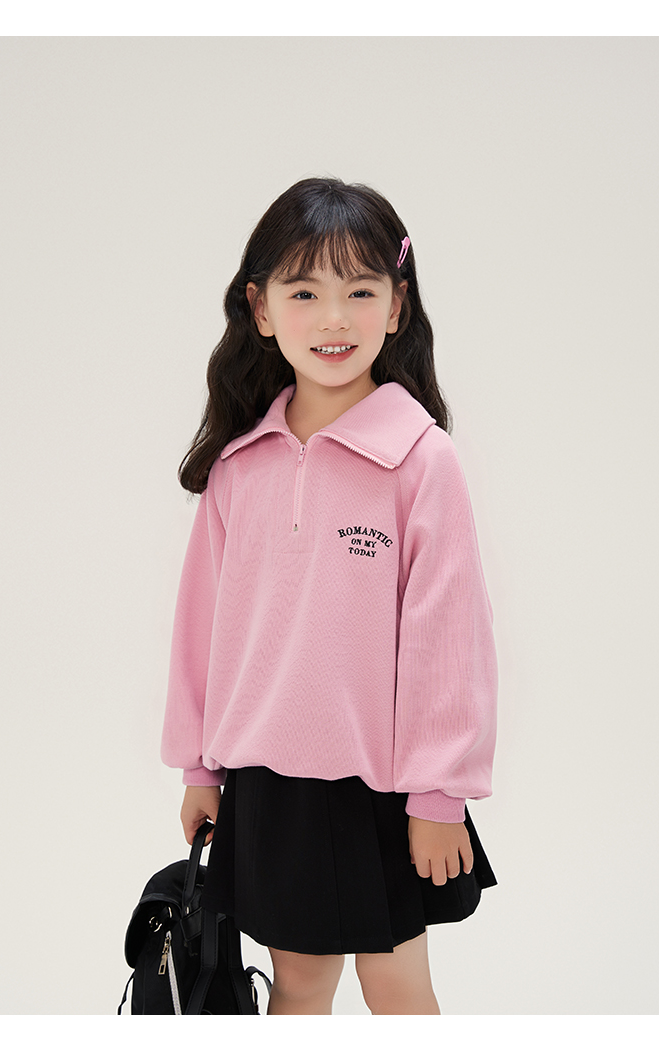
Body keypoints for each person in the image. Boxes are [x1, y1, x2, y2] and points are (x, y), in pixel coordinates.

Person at [160, 176, 498, 1015]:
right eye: (305, 292)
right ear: (261, 308)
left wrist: (438, 794)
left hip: (383, 784)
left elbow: (447, 637)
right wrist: (201, 767)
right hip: (267, 783)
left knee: (397, 984)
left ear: (397, 305)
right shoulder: (239, 466)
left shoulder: (420, 458)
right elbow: (202, 629)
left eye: (361, 290)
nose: (334, 318)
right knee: (301, 984)